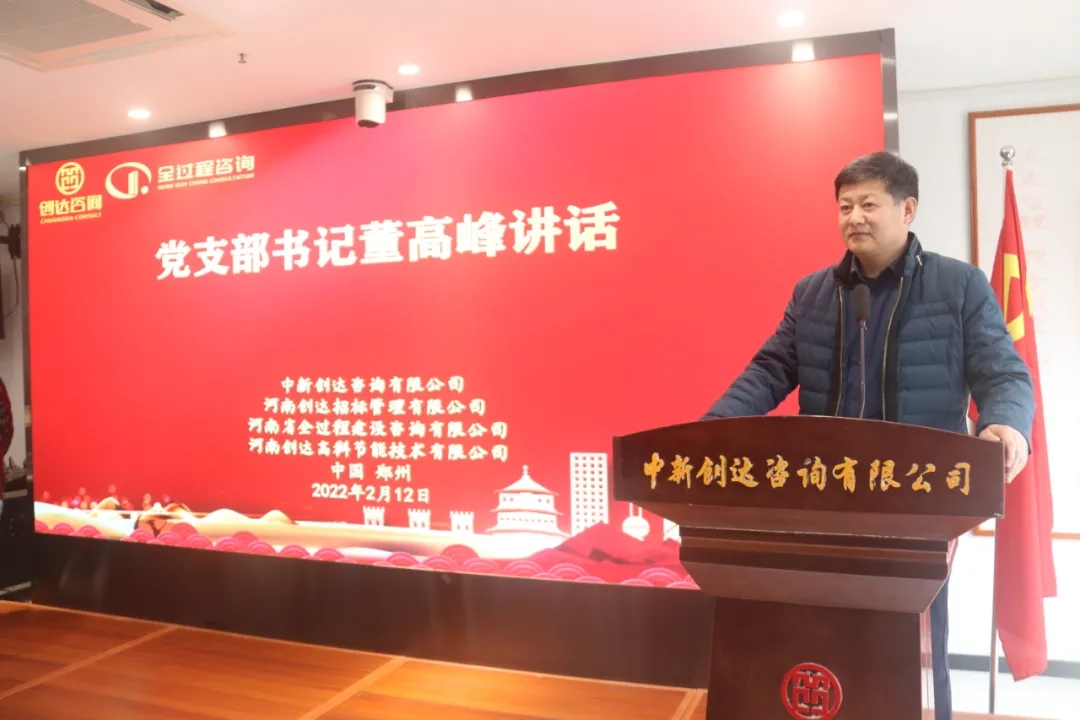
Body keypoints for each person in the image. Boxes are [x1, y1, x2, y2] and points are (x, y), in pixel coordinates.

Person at [702, 151, 1034, 720]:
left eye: (868, 204)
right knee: (816, 631)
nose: (853, 217)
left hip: (918, 501)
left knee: (911, 642)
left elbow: (1003, 372)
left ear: (907, 209)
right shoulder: (813, 292)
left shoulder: (959, 286)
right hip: (822, 498)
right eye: (844, 206)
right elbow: (770, 370)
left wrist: (1005, 422)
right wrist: (712, 429)